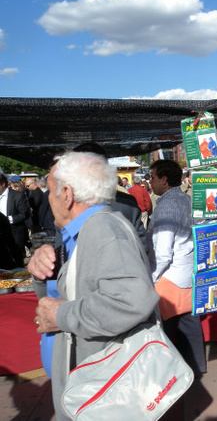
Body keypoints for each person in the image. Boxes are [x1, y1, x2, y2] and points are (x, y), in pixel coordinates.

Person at [28, 151, 159, 421]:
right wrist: (42, 273)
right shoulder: (84, 229)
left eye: (50, 192)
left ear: (67, 194)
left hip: (102, 391)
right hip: (89, 385)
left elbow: (132, 300)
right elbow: (67, 293)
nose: (48, 200)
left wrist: (61, 315)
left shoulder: (102, 229)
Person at [147, 159, 206, 377]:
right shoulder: (186, 199)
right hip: (185, 269)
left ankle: (178, 374)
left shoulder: (168, 204)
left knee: (171, 328)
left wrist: (152, 276)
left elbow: (163, 252)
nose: (150, 182)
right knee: (189, 323)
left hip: (169, 275)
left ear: (164, 179)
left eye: (152, 177)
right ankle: (196, 367)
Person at [0, 173, 30, 260]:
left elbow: (24, 214)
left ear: (3, 184)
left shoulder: (17, 195)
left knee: (17, 258)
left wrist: (7, 219)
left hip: (14, 232)